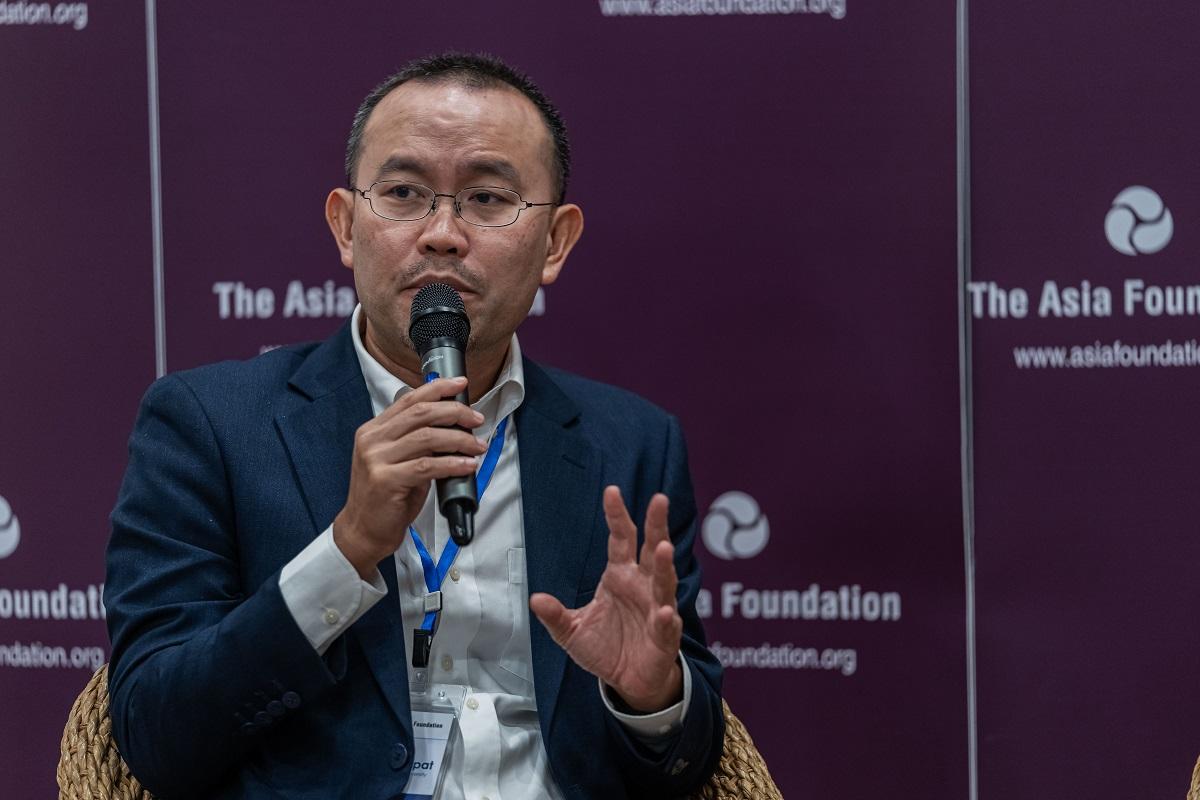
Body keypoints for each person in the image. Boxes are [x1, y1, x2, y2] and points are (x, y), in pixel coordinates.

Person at [105, 52, 724, 800]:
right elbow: (153, 734)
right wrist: (344, 551)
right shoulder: (209, 424)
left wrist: (651, 698)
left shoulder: (632, 443)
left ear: (555, 243)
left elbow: (691, 761)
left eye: (488, 199)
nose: (442, 234)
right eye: (403, 193)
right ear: (345, 226)